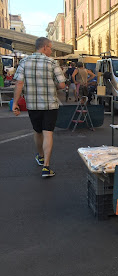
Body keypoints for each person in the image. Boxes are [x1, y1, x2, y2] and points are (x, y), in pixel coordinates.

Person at [12, 37, 66, 178]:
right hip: (50, 105)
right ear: (45, 47)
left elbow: (19, 83)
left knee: (37, 131)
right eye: (50, 48)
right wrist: (52, 83)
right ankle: (46, 167)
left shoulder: (24, 61)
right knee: (48, 133)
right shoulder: (52, 62)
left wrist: (15, 103)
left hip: (33, 105)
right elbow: (61, 85)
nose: (51, 50)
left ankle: (40, 156)